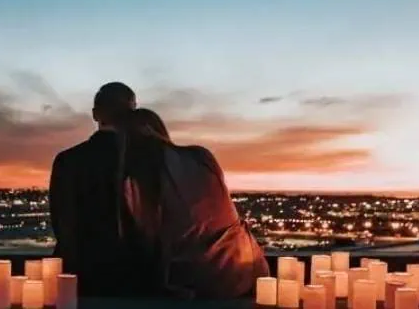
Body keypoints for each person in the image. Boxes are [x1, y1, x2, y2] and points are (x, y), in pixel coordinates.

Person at [120, 108, 270, 299]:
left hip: (202, 284)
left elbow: (150, 243)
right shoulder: (201, 156)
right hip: (249, 269)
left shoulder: (138, 180)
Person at [49, 81, 140, 296]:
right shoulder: (144, 160)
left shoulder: (67, 160)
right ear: (133, 113)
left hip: (79, 276)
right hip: (133, 277)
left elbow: (62, 223)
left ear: (95, 114)